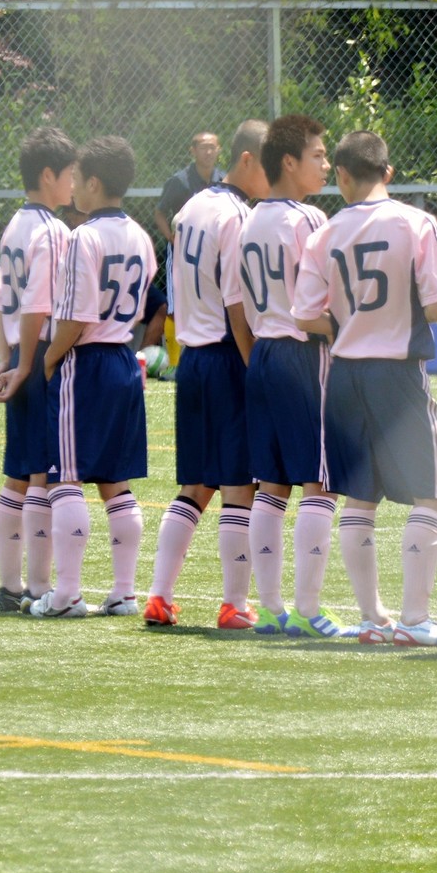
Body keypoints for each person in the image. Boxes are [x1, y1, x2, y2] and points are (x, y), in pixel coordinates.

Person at [291, 131, 437, 647]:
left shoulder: (324, 233)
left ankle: (371, 618)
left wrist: (346, 324)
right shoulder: (415, 222)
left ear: (341, 176)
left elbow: (303, 315)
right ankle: (413, 618)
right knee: (434, 496)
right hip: (396, 372)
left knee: (360, 500)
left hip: (343, 375)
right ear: (388, 172)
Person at [145, 120, 268, 630]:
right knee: (241, 486)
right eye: (269, 167)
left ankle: (158, 596)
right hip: (225, 355)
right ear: (246, 161)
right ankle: (234, 605)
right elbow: (237, 303)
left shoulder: (191, 206)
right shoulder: (239, 214)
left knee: (195, 485)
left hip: (190, 358)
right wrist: (254, 367)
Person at [27, 137, 154, 619]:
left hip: (85, 363)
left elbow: (76, 316)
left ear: (94, 183)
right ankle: (124, 592)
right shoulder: (141, 235)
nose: (74, 187)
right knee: (115, 483)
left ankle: (67, 595)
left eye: (78, 179)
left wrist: (48, 359)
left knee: (67, 479)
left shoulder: (84, 236)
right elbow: (140, 307)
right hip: (123, 361)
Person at [237, 115, 342, 637]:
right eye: (318, 156)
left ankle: (274, 609)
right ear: (289, 162)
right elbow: (326, 296)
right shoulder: (308, 220)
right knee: (320, 483)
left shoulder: (249, 219)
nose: (325, 164)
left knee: (270, 487)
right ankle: (307, 608)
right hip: (304, 355)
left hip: (263, 355)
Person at [0, 126, 76, 612]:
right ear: (48, 175)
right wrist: (28, 366)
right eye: (68, 175)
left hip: (21, 351)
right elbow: (39, 305)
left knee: (18, 472)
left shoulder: (15, 225)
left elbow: (1, 298)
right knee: (43, 472)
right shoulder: (52, 230)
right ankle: (40, 589)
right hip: (40, 355)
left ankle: (9, 586)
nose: (73, 184)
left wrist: (6, 358)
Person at [155, 131, 224, 329]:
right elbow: (159, 213)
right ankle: (175, 357)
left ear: (218, 150)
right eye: (204, 148)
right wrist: (170, 237)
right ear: (193, 151)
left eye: (213, 147)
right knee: (175, 305)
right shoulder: (179, 181)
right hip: (183, 250)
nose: (209, 152)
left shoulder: (223, 179)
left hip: (213, 249)